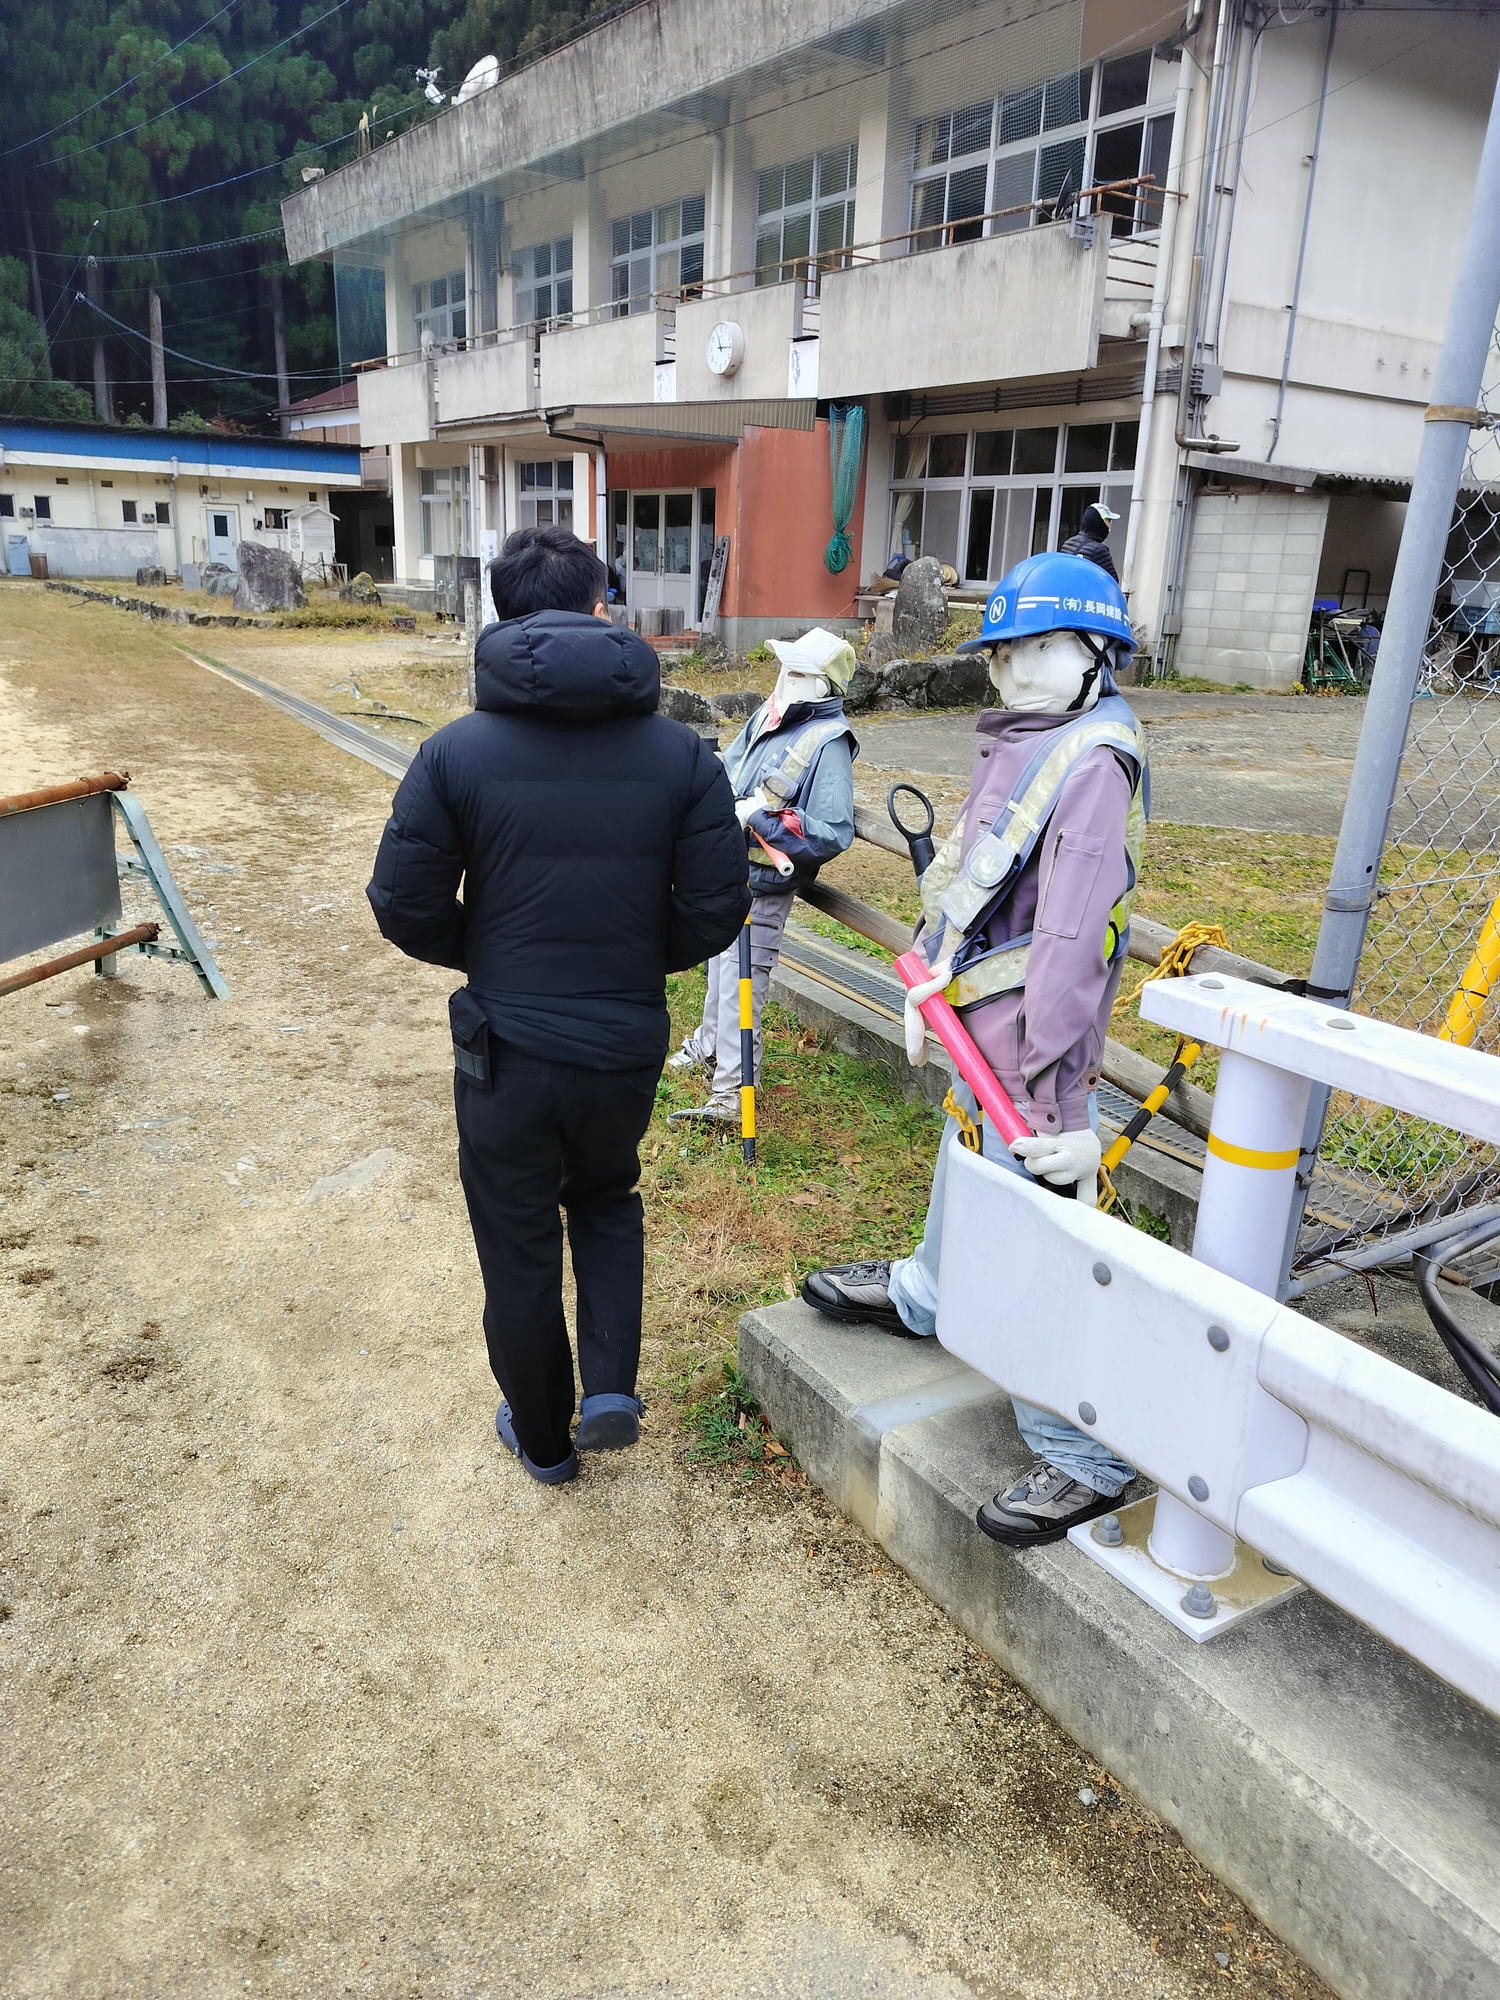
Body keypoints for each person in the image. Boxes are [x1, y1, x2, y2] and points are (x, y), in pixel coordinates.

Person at [367, 525, 749, 1484]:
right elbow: (715, 907)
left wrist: (487, 953)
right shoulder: (684, 756)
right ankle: (611, 1387)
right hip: (622, 1038)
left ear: (500, 613)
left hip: (505, 1043)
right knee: (608, 1198)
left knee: (517, 1235)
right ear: (600, 608)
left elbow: (402, 903)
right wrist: (627, 961)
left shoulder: (451, 753)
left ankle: (544, 1440)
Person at [800, 553, 1149, 1547]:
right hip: (975, 1031)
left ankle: (1085, 1456)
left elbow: (1077, 941)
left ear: (1095, 652)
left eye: (1041, 649)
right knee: (964, 1169)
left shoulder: (1094, 763)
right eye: (1005, 653)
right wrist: (923, 972)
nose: (1016, 671)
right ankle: (930, 1294)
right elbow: (971, 869)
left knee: (1033, 1241)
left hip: (1032, 1061)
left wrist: (1052, 1099)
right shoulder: (1030, 734)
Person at [668, 626, 858, 1127]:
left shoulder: (829, 742)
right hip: (729, 869)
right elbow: (726, 769)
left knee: (741, 984)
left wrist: (762, 818)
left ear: (824, 686)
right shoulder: (771, 714)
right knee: (720, 966)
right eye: (785, 668)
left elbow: (833, 831)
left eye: (799, 672)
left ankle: (733, 1095)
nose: (786, 678)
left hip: (765, 884)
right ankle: (710, 1047)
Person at [1061, 501, 1120, 581]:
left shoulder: (1068, 543)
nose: (1110, 525)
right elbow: (1112, 582)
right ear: (1099, 522)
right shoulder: (1100, 550)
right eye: (1108, 520)